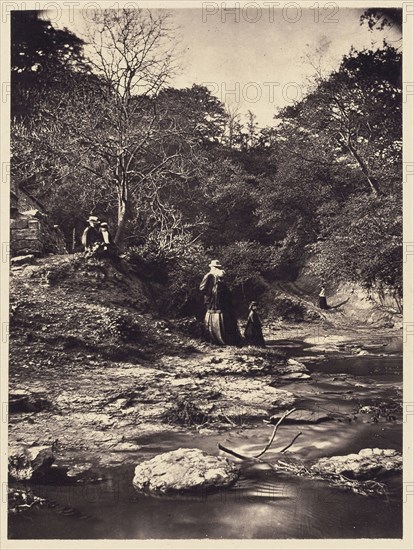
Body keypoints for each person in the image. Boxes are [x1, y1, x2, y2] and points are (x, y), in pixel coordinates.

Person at [199, 260, 241, 346]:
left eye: (218, 267)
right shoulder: (209, 276)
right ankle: (214, 338)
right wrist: (211, 293)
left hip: (219, 302)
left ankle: (224, 339)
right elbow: (202, 288)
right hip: (211, 302)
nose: (218, 269)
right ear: (212, 268)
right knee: (213, 316)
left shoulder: (218, 277)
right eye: (216, 267)